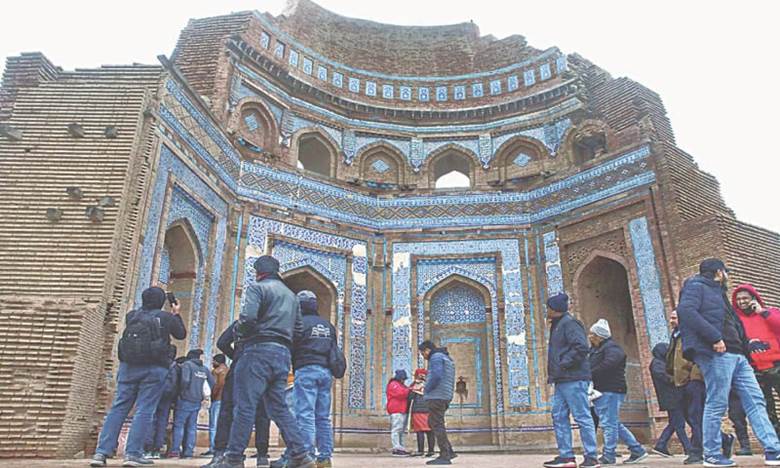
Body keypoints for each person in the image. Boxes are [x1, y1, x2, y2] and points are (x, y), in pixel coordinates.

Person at [677, 258, 780, 467]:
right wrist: (714, 338)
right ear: (719, 271)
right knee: (717, 402)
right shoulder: (696, 286)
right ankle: (712, 454)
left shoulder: (718, 292)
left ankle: (773, 450)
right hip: (715, 352)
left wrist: (746, 346)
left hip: (738, 354)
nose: (727, 276)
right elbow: (685, 312)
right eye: (726, 272)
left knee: (755, 400)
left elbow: (731, 322)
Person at [214, 255, 315, 468]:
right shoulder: (291, 296)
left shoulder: (257, 288)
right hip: (282, 355)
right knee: (278, 407)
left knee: (245, 406)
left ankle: (233, 459)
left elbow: (248, 318)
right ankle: (300, 455)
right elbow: (297, 329)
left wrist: (243, 334)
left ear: (258, 272)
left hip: (257, 351)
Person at [90, 286, 186, 467]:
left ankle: (101, 452)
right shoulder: (165, 317)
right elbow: (181, 334)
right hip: (154, 369)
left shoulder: (132, 316)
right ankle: (132, 454)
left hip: (128, 367)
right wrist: (176, 313)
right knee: (144, 409)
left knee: (118, 408)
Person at [667, 309, 735, 465]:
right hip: (680, 382)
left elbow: (701, 355)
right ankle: (724, 439)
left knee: (696, 416)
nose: (671, 321)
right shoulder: (676, 335)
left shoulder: (692, 334)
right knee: (690, 417)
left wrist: (694, 377)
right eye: (671, 318)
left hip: (694, 381)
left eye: (674, 318)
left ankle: (696, 452)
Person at [203, 321, 272, 468]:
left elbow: (222, 342)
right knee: (262, 414)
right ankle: (262, 456)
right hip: (261, 369)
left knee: (227, 411)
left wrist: (237, 356)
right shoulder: (271, 321)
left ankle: (220, 454)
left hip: (239, 367)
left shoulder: (240, 322)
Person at [542, 292, 599, 468]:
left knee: (582, 416)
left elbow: (581, 347)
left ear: (555, 309)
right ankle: (566, 457)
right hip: (562, 379)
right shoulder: (559, 325)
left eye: (549, 307)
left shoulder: (570, 323)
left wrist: (564, 364)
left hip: (573, 378)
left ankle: (591, 457)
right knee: (558, 415)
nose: (547, 310)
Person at [588, 319, 648, 465]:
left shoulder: (612, 348)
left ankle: (609, 455)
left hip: (611, 390)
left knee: (609, 424)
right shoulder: (596, 349)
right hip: (602, 390)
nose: (589, 337)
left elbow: (609, 364)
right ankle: (637, 450)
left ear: (599, 336)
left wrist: (590, 373)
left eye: (592, 334)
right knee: (612, 422)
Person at [292, 290, 337, 468]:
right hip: (325, 373)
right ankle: (325, 457)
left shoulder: (299, 324)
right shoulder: (327, 326)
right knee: (323, 417)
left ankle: (307, 457)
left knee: (305, 415)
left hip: (306, 371)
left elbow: (291, 347)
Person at [733, 282, 780, 437]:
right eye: (738, 299)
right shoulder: (736, 320)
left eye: (745, 298)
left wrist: (762, 312)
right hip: (755, 369)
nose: (742, 302)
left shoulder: (769, 312)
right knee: (766, 407)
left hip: (776, 365)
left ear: (753, 298)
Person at [649, 342, 692, 457]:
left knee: (674, 423)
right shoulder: (656, 364)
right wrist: (678, 379)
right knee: (679, 424)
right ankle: (688, 449)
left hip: (674, 397)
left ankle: (661, 445)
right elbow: (665, 378)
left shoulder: (662, 363)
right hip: (670, 398)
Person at [170, 349, 215, 458]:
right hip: (197, 401)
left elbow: (185, 380)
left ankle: (175, 450)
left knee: (179, 425)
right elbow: (212, 382)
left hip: (185, 399)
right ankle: (188, 452)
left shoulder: (187, 365)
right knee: (191, 427)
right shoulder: (204, 369)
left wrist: (181, 392)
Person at [418, 340, 456, 466]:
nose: (423, 355)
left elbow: (436, 376)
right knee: (434, 422)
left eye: (423, 352)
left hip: (437, 396)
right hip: (444, 395)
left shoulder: (435, 357)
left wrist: (426, 388)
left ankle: (445, 456)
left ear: (428, 350)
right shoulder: (446, 358)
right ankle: (449, 451)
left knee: (436, 423)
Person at [144, 345, 180, 459]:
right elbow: (178, 384)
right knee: (162, 422)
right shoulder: (176, 367)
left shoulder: (159, 363)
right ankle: (157, 449)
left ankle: (148, 448)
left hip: (156, 393)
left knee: (151, 418)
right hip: (168, 397)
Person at [204, 354, 229, 457]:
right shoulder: (229, 370)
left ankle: (213, 448)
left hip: (218, 400)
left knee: (213, 425)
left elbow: (216, 386)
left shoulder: (216, 371)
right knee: (224, 425)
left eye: (213, 361)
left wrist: (212, 396)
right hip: (227, 401)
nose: (212, 363)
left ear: (218, 362)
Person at [408, 368, 436, 457]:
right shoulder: (431, 384)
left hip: (418, 411)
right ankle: (431, 451)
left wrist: (415, 386)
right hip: (429, 410)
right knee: (430, 431)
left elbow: (410, 397)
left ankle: (421, 451)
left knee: (420, 431)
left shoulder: (415, 385)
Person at [386, 369, 411, 456]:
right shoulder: (393, 385)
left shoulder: (401, 385)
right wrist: (410, 389)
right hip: (396, 409)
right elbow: (401, 394)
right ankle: (396, 448)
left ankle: (401, 447)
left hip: (402, 410)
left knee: (401, 430)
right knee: (396, 429)